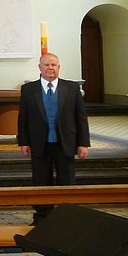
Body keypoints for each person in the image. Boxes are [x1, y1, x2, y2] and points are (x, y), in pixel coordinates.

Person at [17, 53, 90, 223]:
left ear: (59, 67)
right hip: (39, 143)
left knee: (67, 180)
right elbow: (23, 118)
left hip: (65, 143)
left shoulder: (71, 88)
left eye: (54, 65)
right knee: (41, 181)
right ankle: (42, 216)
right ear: (40, 68)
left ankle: (68, 217)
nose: (50, 68)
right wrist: (24, 142)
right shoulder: (29, 90)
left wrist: (83, 143)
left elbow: (81, 117)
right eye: (47, 65)